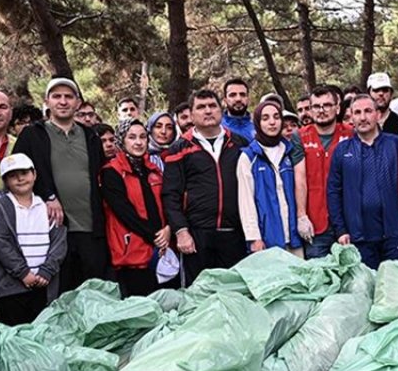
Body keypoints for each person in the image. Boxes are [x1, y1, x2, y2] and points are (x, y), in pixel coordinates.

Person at [12, 77, 109, 293]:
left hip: (90, 227)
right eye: (57, 96)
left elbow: (101, 175)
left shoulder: (90, 135)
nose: (63, 101)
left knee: (93, 291)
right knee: (59, 293)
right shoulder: (32, 135)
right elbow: (15, 175)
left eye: (68, 97)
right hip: (52, 230)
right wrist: (48, 196)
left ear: (77, 102)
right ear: (47, 101)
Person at [161, 89, 248, 284]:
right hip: (197, 235)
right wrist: (181, 231)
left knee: (234, 292)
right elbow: (170, 194)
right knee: (199, 294)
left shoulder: (238, 143)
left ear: (221, 109)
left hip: (234, 233)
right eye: (201, 107)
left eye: (212, 106)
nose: (207, 111)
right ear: (191, 115)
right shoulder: (179, 148)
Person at [327, 96, 398, 269]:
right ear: (351, 118)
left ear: (378, 115)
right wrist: (340, 230)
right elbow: (333, 192)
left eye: (368, 111)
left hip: (394, 233)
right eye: (357, 112)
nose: (363, 117)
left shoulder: (395, 144)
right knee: (366, 289)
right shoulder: (342, 151)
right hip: (358, 236)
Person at [0, 154, 67, 325]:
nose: (20, 178)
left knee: (41, 332)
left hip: (44, 283)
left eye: (24, 172)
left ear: (34, 174)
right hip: (12, 287)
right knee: (14, 334)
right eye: (12, 175)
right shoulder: (1, 207)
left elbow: (59, 241)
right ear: (5, 181)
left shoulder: (47, 207)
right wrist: (23, 272)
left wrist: (47, 270)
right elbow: (1, 243)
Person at [100, 120, 170, 297]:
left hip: (161, 248)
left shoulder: (154, 170)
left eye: (142, 137)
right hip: (131, 250)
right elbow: (125, 213)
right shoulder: (111, 172)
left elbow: (167, 203)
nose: (138, 142)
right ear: (122, 141)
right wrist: (155, 236)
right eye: (132, 137)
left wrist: (168, 229)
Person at [238, 99, 308, 256]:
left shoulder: (290, 151)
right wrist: (254, 237)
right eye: (265, 118)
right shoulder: (249, 157)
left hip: (294, 235)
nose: (272, 122)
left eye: (276, 117)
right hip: (267, 238)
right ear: (258, 122)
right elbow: (246, 201)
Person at [300, 86, 354, 258]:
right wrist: (301, 216)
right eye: (316, 106)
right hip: (316, 223)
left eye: (327, 105)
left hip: (348, 221)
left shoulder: (352, 134)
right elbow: (299, 179)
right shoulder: (299, 137)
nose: (321, 111)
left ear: (337, 108)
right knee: (318, 277)